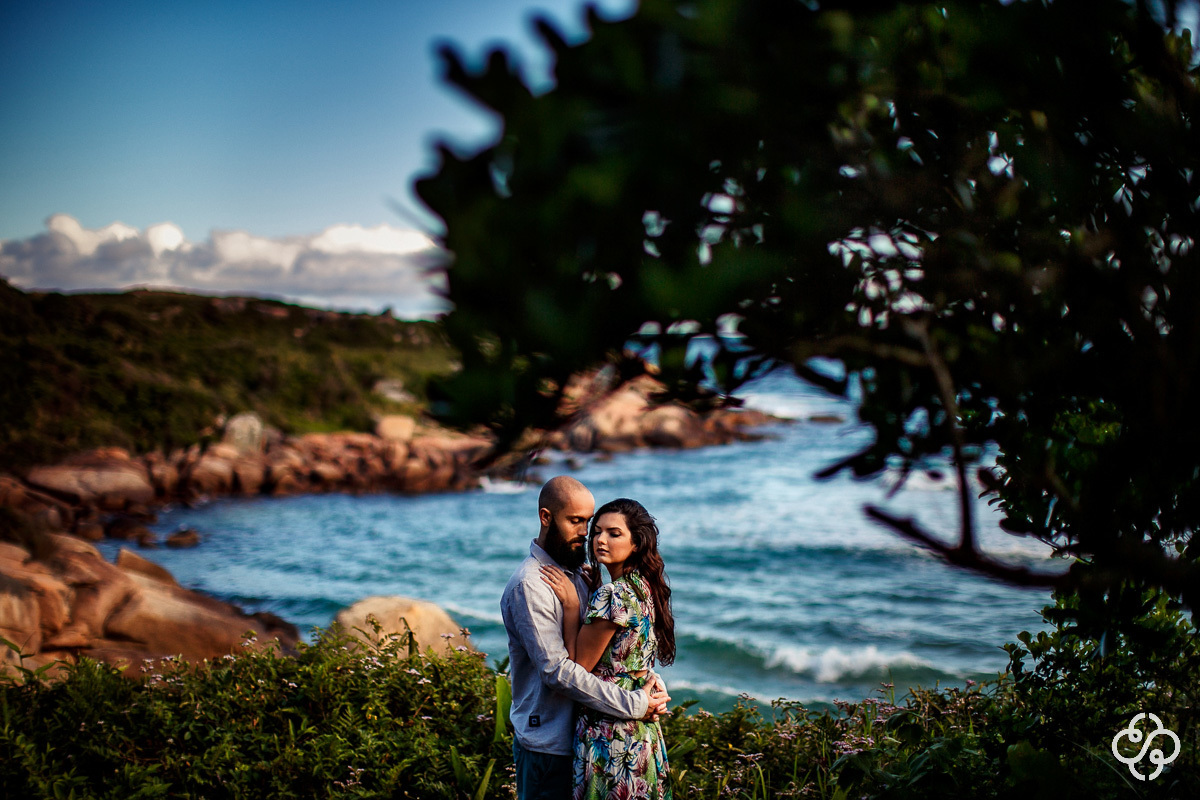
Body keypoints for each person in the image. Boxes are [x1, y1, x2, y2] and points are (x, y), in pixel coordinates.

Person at [502, 477, 670, 800]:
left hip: (589, 740)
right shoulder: (531, 585)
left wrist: (646, 678)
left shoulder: (582, 576)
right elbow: (559, 671)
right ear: (546, 518)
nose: (587, 533)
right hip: (549, 748)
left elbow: (612, 650)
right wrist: (635, 702)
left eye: (588, 522)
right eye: (576, 521)